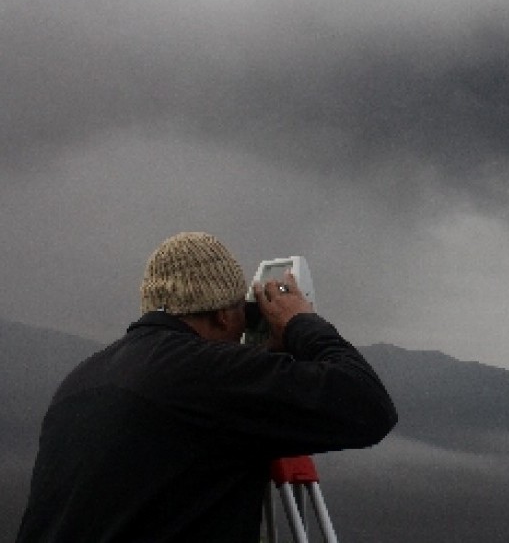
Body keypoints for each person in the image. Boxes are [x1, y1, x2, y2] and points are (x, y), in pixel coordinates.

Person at [16, 232, 397, 542]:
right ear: (222, 313)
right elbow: (368, 405)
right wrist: (300, 323)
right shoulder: (207, 375)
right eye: (242, 315)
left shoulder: (81, 379)